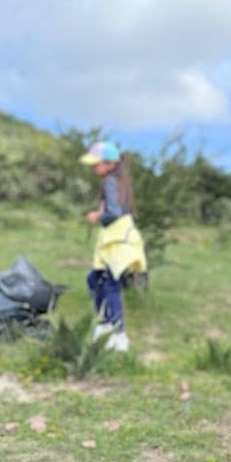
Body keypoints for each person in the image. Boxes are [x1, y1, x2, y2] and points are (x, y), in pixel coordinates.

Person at [80, 140, 146, 352]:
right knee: (97, 279)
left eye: (96, 163)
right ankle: (105, 326)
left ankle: (117, 334)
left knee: (109, 285)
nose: (93, 167)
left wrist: (96, 215)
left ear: (109, 163)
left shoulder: (109, 181)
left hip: (117, 239)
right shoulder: (120, 181)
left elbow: (113, 213)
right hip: (121, 238)